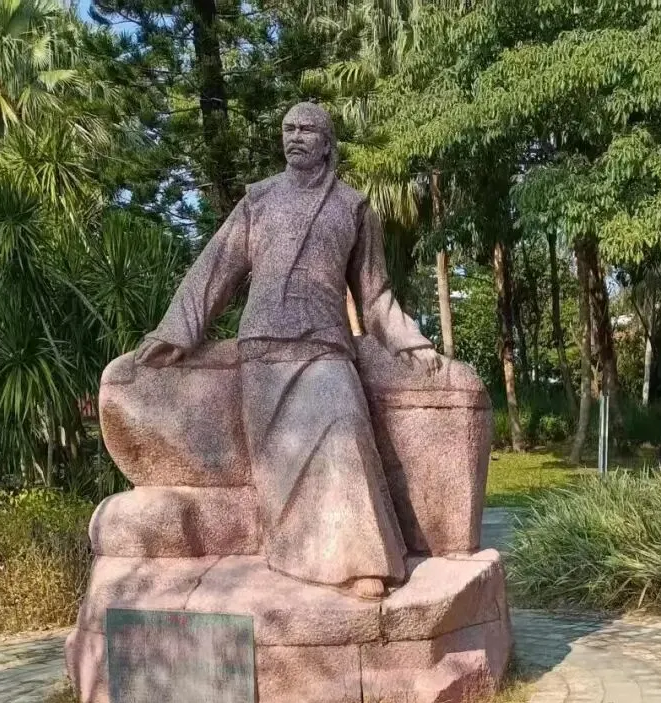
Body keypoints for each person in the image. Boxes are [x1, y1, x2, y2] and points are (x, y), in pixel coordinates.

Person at [135, 103, 439, 599]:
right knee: (282, 461)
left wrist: (410, 341)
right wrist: (176, 331)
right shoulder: (258, 200)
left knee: (345, 427)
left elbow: (375, 294)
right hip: (264, 348)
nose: (295, 136)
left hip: (324, 346)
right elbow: (215, 268)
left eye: (307, 129)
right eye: (288, 129)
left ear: (327, 142)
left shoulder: (352, 207)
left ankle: (361, 560)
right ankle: (295, 555)